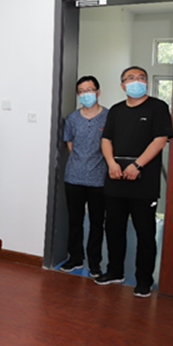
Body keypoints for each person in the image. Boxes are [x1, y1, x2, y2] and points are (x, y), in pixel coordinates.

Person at [95, 66, 173, 298]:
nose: (136, 81)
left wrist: (137, 165)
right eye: (130, 78)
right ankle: (114, 271)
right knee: (114, 230)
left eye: (141, 78)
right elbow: (106, 139)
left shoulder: (158, 107)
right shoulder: (116, 110)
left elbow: (160, 140)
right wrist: (111, 163)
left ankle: (144, 281)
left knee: (145, 234)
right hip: (115, 180)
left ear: (146, 83)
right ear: (122, 85)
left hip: (143, 183)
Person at [60, 76, 108, 278]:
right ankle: (75, 258)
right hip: (74, 177)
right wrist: (81, 163)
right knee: (75, 221)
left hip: (99, 179)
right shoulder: (72, 119)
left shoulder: (108, 116)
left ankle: (94, 263)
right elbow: (70, 144)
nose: (85, 94)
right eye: (81, 91)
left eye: (89, 90)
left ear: (98, 92)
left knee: (97, 223)